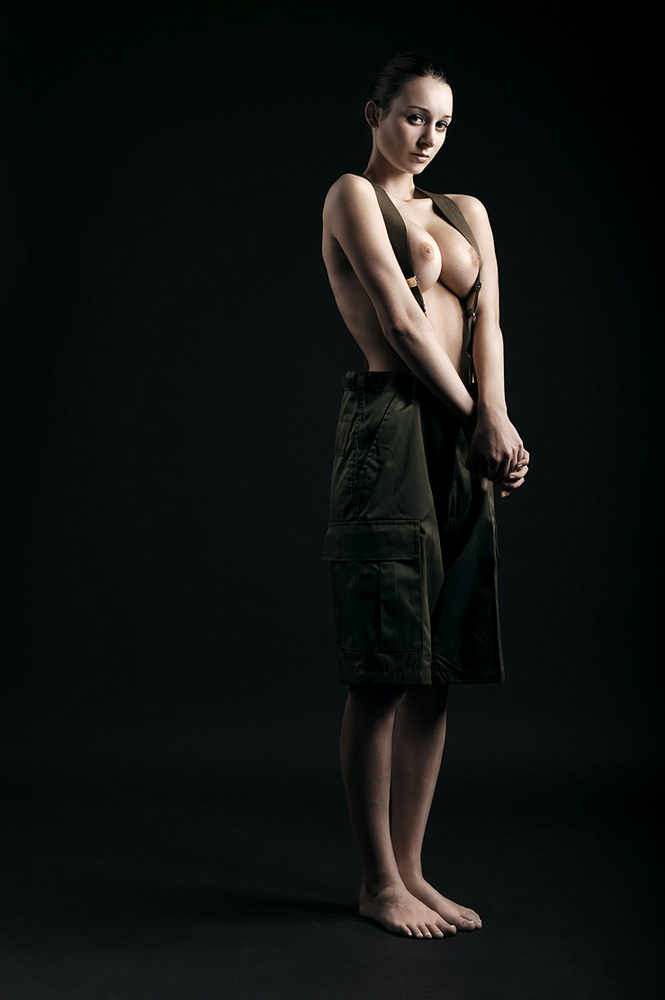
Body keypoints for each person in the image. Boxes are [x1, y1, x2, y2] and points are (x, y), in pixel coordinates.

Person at [320, 53, 530, 940]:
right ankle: (377, 882)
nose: (427, 137)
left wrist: (498, 420)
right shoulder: (351, 197)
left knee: (437, 673)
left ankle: (411, 871)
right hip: (393, 423)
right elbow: (402, 322)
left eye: (441, 123)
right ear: (374, 113)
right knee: (386, 669)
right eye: (412, 117)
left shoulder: (464, 211)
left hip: (463, 429)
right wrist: (476, 420)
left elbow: (488, 325)